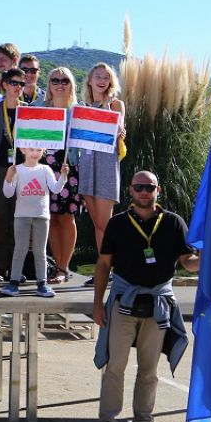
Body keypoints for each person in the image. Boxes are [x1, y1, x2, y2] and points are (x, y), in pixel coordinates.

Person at [89, 171, 199, 422]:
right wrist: (97, 304)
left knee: (149, 369)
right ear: (130, 190)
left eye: (149, 187)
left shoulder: (174, 223)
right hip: (124, 301)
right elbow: (103, 265)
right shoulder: (117, 224)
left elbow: (188, 261)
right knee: (115, 366)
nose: (144, 192)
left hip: (158, 304)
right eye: (139, 187)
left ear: (157, 190)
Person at [79, 62, 127, 282]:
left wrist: (107, 106)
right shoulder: (83, 106)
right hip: (88, 164)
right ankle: (104, 268)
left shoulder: (116, 104)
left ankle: (110, 268)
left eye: (105, 77)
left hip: (106, 165)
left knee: (104, 223)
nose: (101, 80)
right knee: (97, 223)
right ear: (89, 80)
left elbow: (118, 129)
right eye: (97, 76)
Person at [0, 147, 65, 297]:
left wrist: (63, 176)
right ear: (23, 150)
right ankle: (13, 282)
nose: (35, 153)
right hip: (22, 216)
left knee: (40, 251)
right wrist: (8, 177)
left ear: (43, 151)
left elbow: (55, 189)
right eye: (31, 149)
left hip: (42, 216)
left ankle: (42, 283)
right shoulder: (17, 169)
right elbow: (8, 193)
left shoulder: (46, 169)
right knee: (20, 249)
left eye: (38, 150)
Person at [0, 66, 27, 280]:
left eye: (21, 83)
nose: (17, 87)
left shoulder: (29, 111)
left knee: (18, 218)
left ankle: (16, 268)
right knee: (1, 217)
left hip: (23, 170)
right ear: (4, 84)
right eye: (13, 83)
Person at [43, 67, 81, 283]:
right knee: (51, 218)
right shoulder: (40, 109)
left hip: (69, 168)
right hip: (45, 169)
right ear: (49, 84)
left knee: (66, 218)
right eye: (55, 80)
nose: (60, 84)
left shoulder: (78, 111)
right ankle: (57, 266)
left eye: (65, 80)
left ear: (71, 84)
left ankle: (63, 268)